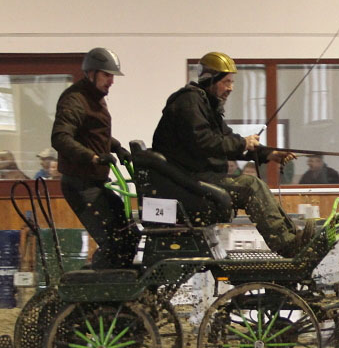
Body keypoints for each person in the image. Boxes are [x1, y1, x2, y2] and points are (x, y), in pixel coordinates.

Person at [152, 51, 324, 257]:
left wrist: (269, 154)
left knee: (252, 185)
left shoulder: (205, 104)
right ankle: (287, 244)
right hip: (187, 182)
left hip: (192, 178)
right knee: (251, 186)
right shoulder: (189, 102)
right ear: (210, 79)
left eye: (232, 82)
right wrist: (243, 142)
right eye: (226, 82)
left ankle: (291, 238)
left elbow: (227, 139)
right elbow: (205, 142)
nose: (230, 88)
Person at [51, 47, 140, 269]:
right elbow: (60, 137)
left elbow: (94, 133)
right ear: (91, 73)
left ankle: (121, 293)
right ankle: (97, 296)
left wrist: (116, 146)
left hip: (95, 183)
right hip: (80, 185)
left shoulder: (95, 98)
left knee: (130, 236)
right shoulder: (75, 100)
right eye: (107, 75)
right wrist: (92, 157)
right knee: (114, 242)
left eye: (112, 76)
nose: (111, 81)